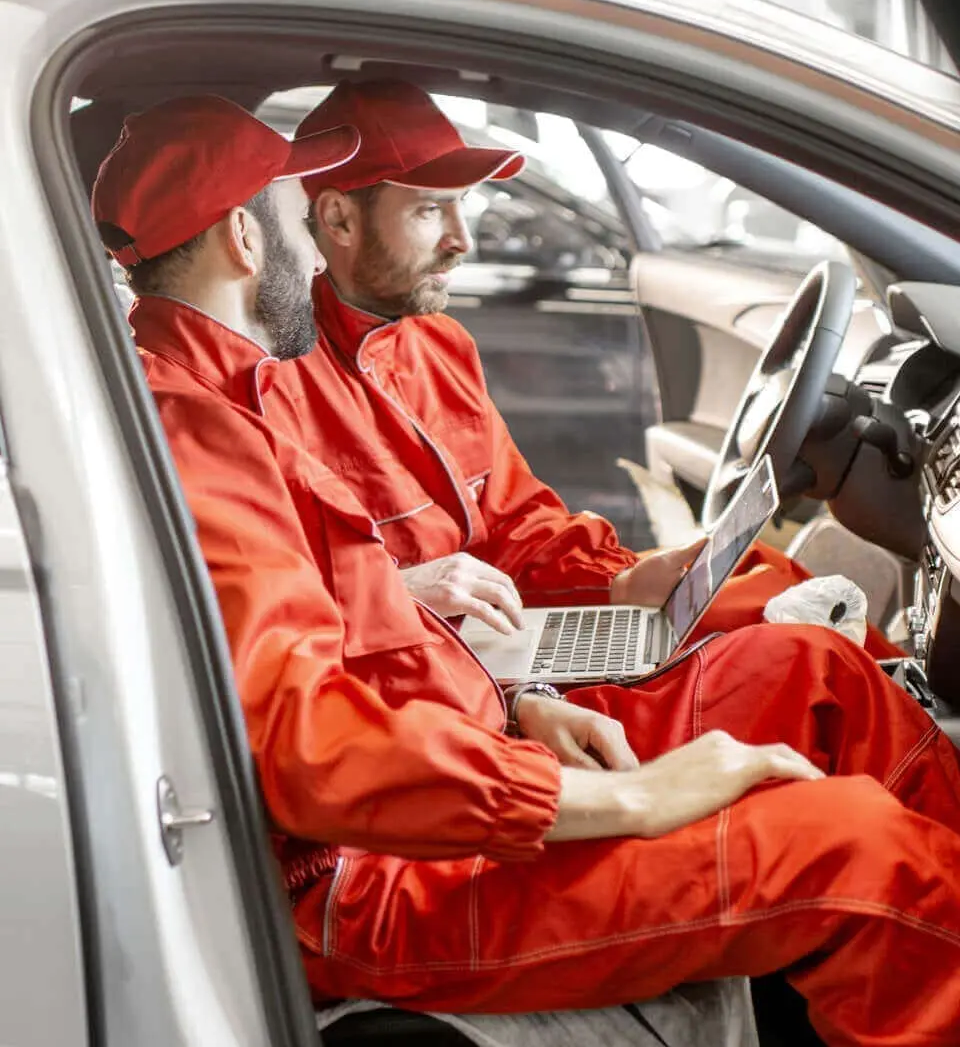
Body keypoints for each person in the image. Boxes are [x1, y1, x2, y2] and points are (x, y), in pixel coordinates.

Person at [93, 93, 960, 1047]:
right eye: (304, 217)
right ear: (244, 242)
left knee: (820, 689)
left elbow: (359, 634)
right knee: (860, 848)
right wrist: (621, 797)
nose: (318, 245)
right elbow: (308, 744)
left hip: (443, 782)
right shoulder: (200, 428)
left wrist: (519, 705)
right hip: (377, 874)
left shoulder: (225, 397)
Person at [290, 78, 900, 656]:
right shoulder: (272, 382)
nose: (462, 240)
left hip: (508, 635)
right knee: (807, 663)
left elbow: (516, 524)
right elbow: (281, 605)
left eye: (463, 208)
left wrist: (619, 581)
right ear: (340, 219)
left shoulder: (438, 344)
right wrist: (404, 594)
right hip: (443, 669)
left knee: (767, 579)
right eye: (430, 212)